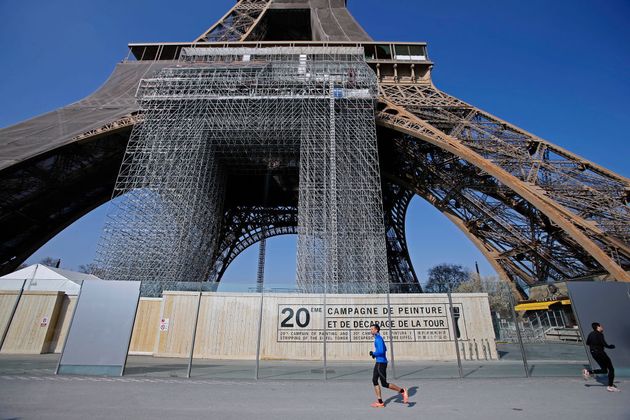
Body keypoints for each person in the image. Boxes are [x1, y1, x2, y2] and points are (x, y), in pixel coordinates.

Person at [369, 323, 409, 407]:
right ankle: (380, 402)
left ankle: (402, 391)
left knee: (384, 383)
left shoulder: (378, 339)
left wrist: (374, 353)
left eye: (372, 329)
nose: (371, 330)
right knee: (374, 380)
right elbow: (385, 348)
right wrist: (375, 355)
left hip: (381, 363)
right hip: (379, 362)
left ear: (376, 330)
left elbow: (382, 351)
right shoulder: (378, 338)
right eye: (371, 329)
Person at [582, 322, 619, 392]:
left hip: (593, 353)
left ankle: (588, 372)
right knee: (611, 369)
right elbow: (605, 344)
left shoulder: (590, 334)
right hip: (600, 353)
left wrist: (594, 345)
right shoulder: (599, 334)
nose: (602, 327)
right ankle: (610, 386)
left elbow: (587, 343)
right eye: (601, 326)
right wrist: (611, 346)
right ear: (598, 327)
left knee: (604, 370)